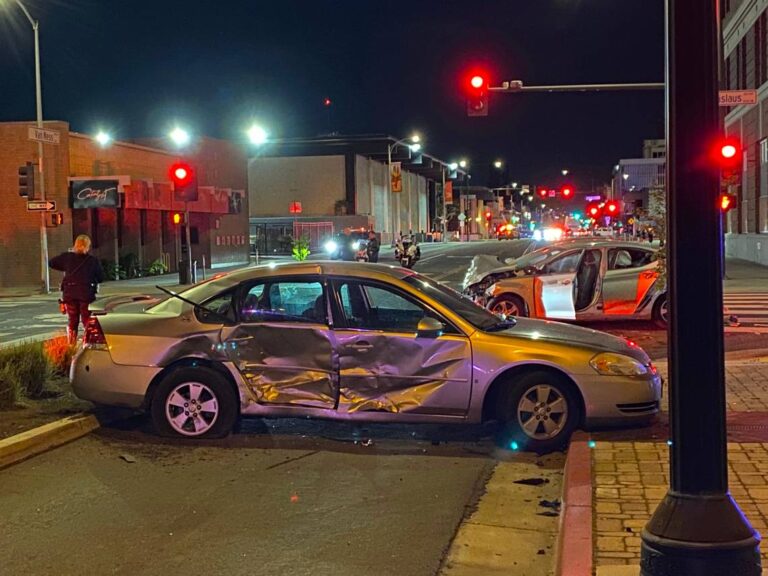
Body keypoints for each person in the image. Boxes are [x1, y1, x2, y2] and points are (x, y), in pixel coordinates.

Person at [49, 235, 105, 343]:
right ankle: (88, 342)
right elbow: (101, 278)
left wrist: (65, 267)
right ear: (88, 247)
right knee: (86, 320)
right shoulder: (92, 261)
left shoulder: (67, 257)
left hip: (70, 294)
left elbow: (52, 263)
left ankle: (71, 343)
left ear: (75, 245)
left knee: (72, 320)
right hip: (86, 294)